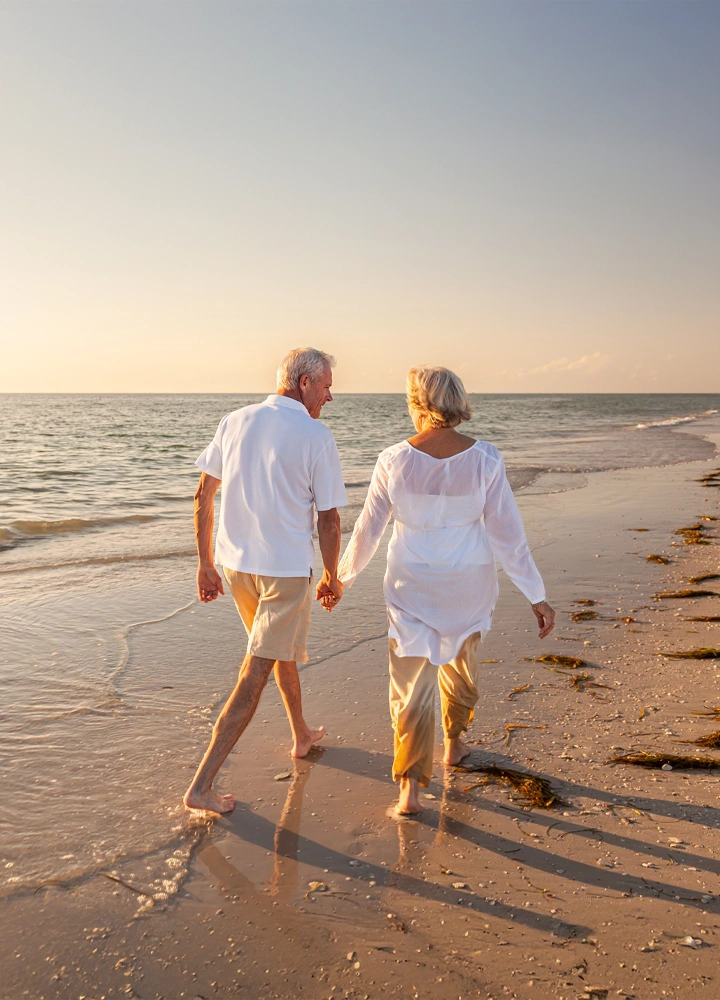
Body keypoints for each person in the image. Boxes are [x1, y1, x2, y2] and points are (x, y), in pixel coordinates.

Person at [324, 365, 554, 816]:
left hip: (412, 585)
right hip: (468, 584)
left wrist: (340, 579)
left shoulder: (394, 458)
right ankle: (453, 744)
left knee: (410, 686)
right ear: (456, 402)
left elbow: (368, 532)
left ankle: (410, 790)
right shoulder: (486, 458)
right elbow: (508, 536)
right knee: (461, 667)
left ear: (418, 404)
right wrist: (536, 595)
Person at [184, 347, 347, 814]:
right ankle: (202, 785)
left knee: (278, 651)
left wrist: (206, 564)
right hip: (284, 574)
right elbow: (330, 519)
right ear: (304, 383)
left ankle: (300, 733)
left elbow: (202, 496)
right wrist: (333, 575)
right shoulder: (316, 436)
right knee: (256, 669)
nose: (330, 396)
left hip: (236, 568)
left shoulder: (234, 420)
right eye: (327, 385)